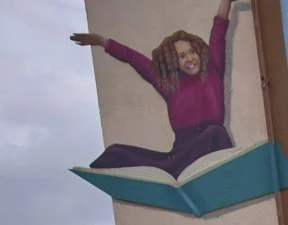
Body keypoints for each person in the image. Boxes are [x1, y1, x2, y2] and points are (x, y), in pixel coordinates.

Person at [70, 0, 236, 178]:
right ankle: (175, 176)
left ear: (199, 52)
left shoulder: (213, 70)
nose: (189, 59)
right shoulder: (169, 84)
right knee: (115, 153)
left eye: (192, 52)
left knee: (215, 133)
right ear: (175, 62)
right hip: (180, 156)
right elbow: (135, 59)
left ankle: (211, 175)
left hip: (212, 146)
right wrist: (102, 42)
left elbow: (218, 30)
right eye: (181, 56)